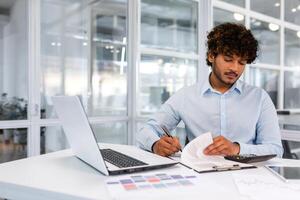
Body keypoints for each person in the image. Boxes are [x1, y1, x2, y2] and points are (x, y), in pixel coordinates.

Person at [137, 23, 283, 157]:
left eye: (242, 62)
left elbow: (275, 149)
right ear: (211, 56)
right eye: (228, 59)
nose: (235, 68)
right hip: (201, 178)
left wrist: (236, 149)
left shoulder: (259, 98)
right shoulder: (187, 96)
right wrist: (156, 145)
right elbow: (146, 130)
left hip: (249, 179)